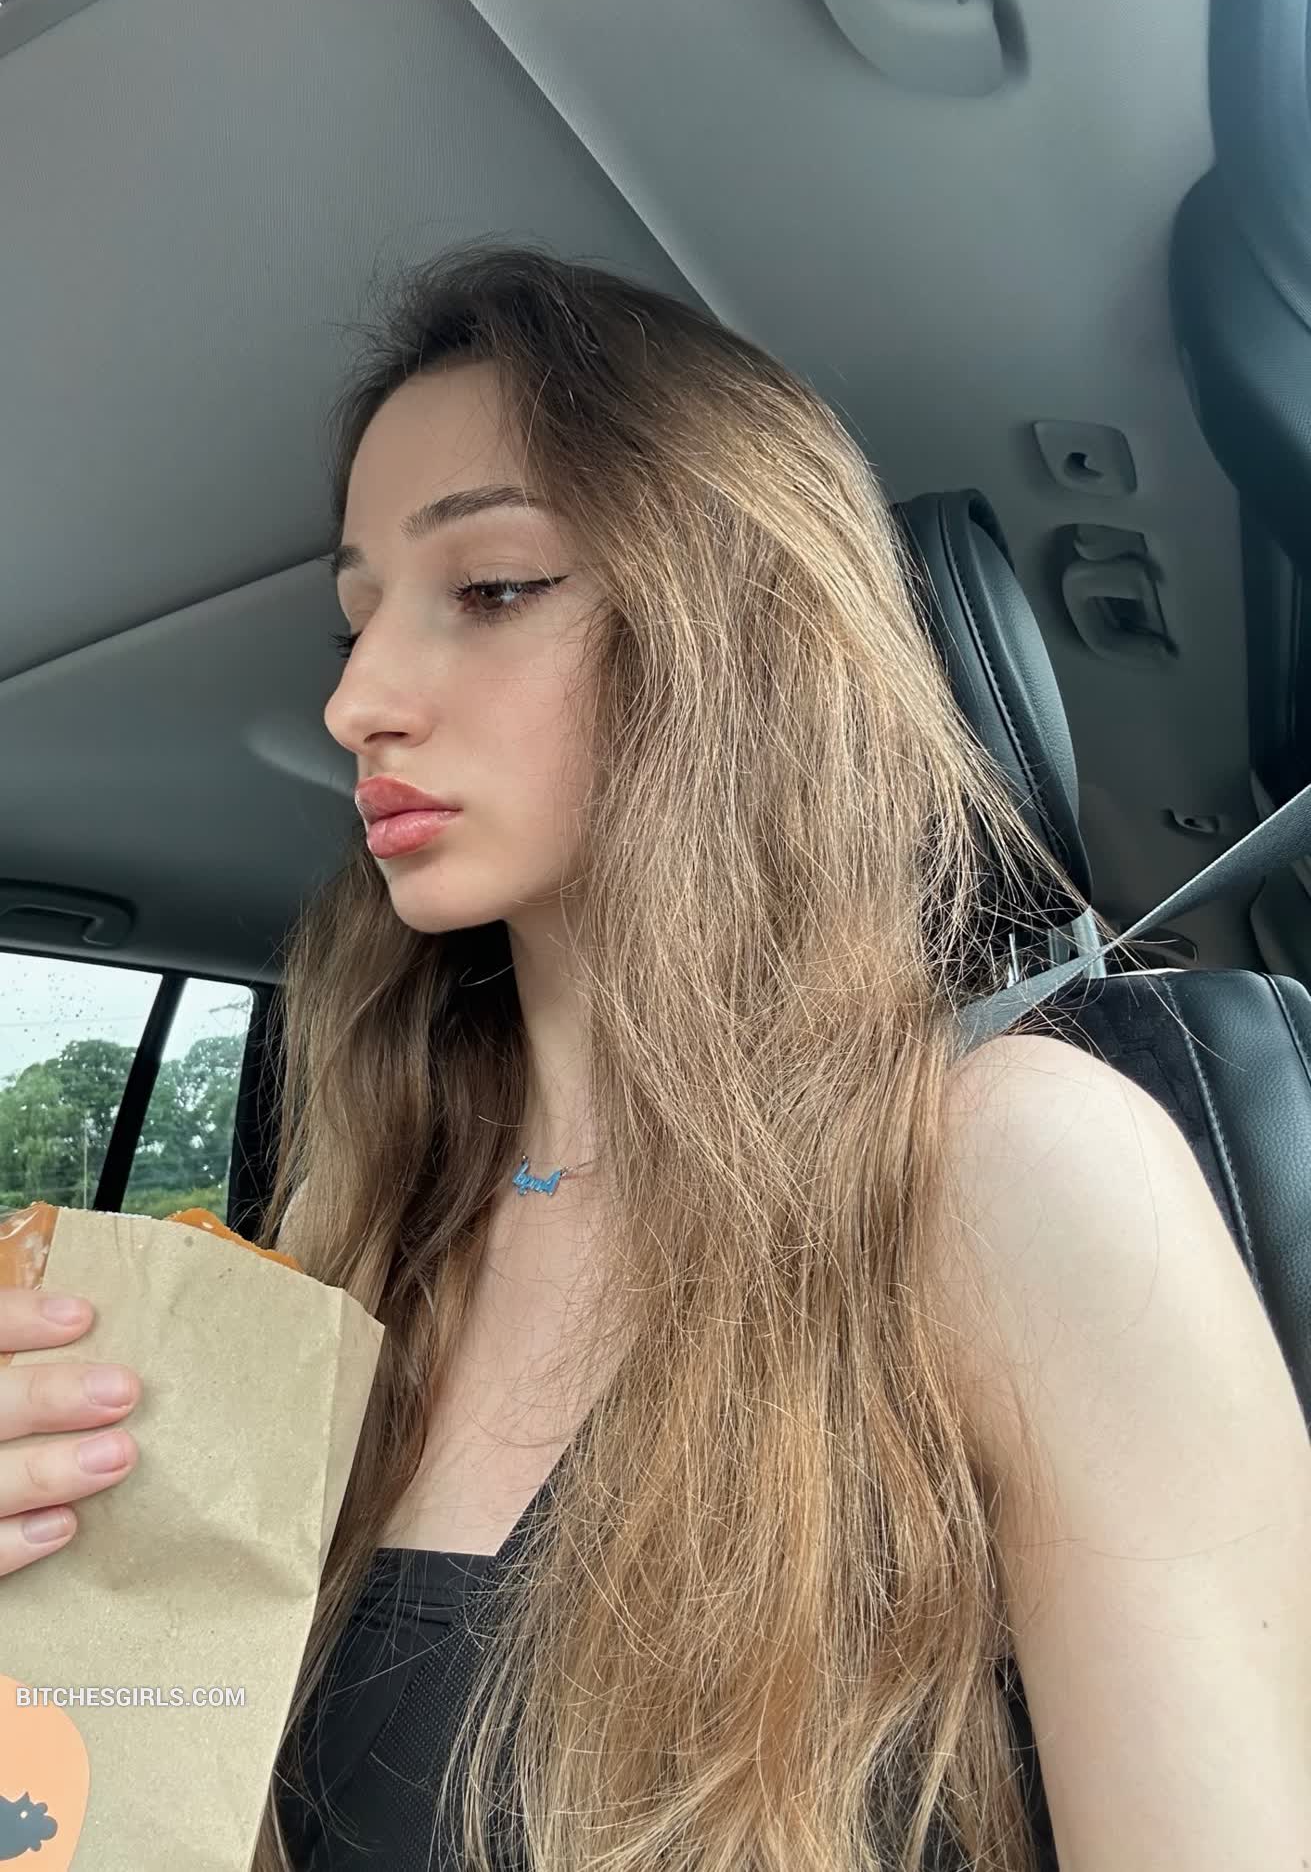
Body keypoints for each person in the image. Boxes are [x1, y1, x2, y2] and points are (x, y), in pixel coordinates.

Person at [1, 244, 1305, 1872]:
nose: (356, 700)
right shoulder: (363, 1238)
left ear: (739, 630)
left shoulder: (1017, 1173)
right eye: (356, 622)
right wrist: (66, 1632)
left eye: (490, 588)